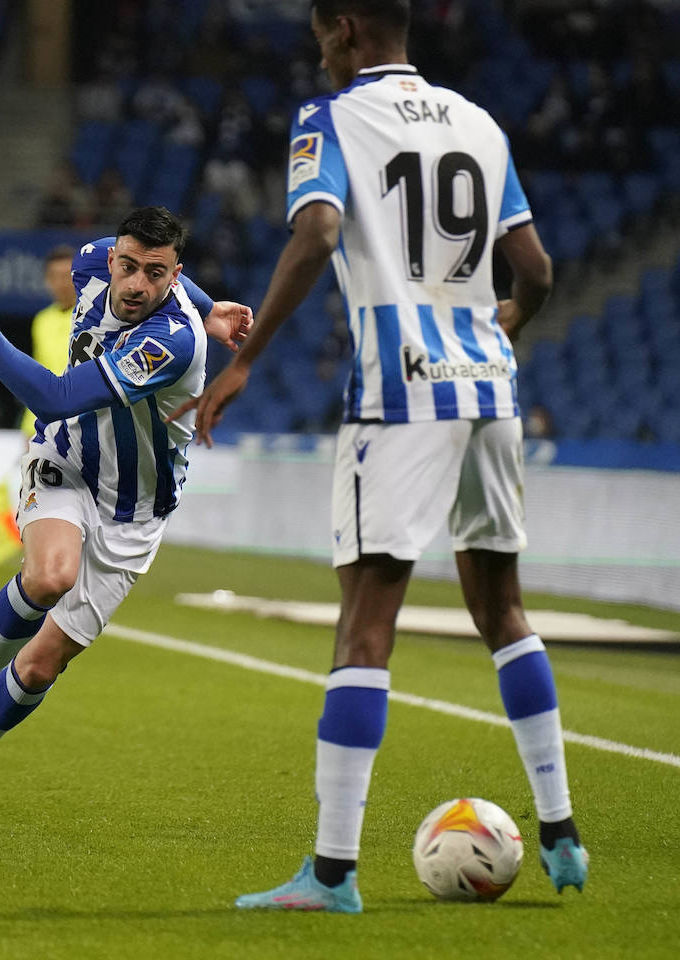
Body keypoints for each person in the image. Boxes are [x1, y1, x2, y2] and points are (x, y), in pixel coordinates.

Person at [173, 0, 586, 912]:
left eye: (322, 34)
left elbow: (316, 234)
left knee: (365, 622)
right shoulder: (479, 123)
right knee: (502, 607)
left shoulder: (331, 119)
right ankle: (559, 830)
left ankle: (331, 872)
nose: (319, 53)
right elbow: (540, 272)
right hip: (490, 389)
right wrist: (502, 325)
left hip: (402, 394)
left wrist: (241, 364)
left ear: (348, 29)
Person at [0, 206, 252, 818]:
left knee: (39, 666)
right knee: (48, 576)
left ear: (174, 276)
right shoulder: (92, 261)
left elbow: (55, 395)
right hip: (64, 462)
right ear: (112, 257)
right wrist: (214, 302)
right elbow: (58, 416)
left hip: (133, 513)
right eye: (129, 265)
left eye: (157, 273)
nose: (138, 283)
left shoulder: (173, 339)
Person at [18, 246, 77, 436]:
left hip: (79, 424)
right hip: (39, 424)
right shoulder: (41, 320)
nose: (62, 283)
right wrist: (29, 428)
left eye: (67, 275)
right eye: (55, 276)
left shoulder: (93, 318)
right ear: (47, 280)